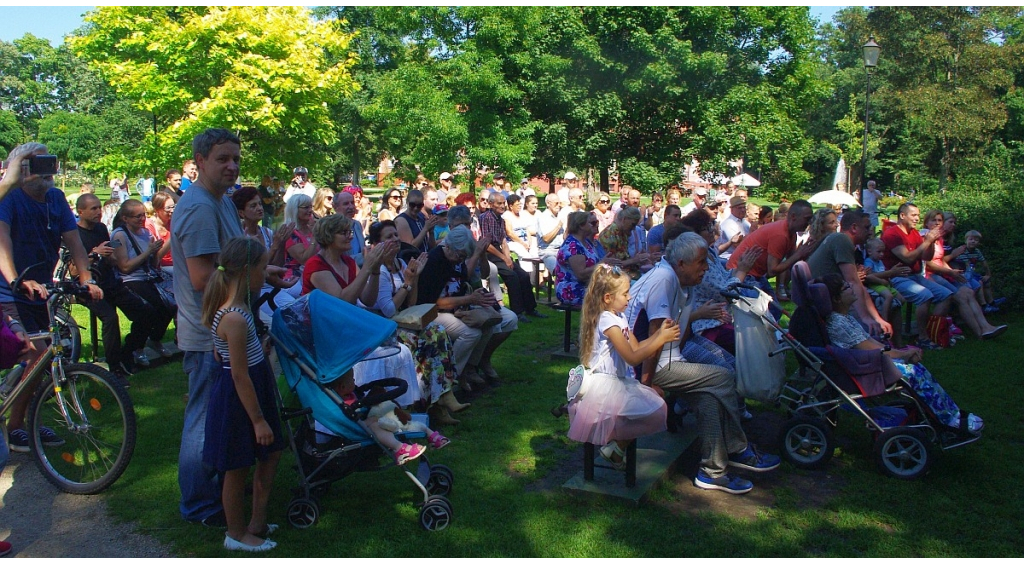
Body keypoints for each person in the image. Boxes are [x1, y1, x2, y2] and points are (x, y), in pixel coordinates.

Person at [172, 128, 293, 526]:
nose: (232, 165)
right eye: (223, 158)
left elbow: (230, 262)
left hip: (228, 324)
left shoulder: (222, 200)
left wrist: (263, 272)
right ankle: (200, 504)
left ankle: (225, 498)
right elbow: (204, 277)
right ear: (200, 161)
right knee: (205, 420)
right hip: (209, 332)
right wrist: (251, 280)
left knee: (221, 419)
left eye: (236, 158)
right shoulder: (199, 208)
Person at [626, 233, 780, 495]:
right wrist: (646, 386)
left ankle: (713, 472)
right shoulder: (664, 281)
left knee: (708, 394)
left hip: (666, 357)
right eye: (701, 263)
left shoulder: (682, 281)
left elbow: (682, 335)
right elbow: (653, 336)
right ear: (682, 263)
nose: (706, 268)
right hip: (639, 364)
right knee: (723, 377)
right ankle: (738, 448)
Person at [0, 143, 104, 453]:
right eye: (34, 163)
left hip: (41, 290)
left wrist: (87, 280)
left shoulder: (56, 199)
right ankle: (15, 424)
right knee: (36, 354)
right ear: (21, 167)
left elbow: (74, 243)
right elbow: (1, 241)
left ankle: (20, 419)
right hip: (9, 290)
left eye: (48, 162)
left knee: (45, 359)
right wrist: (16, 279)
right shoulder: (10, 198)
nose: (44, 170)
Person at [200, 237, 284, 552]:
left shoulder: (240, 307)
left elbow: (240, 356)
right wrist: (258, 419)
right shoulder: (232, 316)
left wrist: (259, 350)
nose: (266, 273)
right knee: (236, 466)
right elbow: (238, 373)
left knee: (272, 452)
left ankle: (257, 521)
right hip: (240, 397)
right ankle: (235, 533)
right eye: (263, 267)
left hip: (254, 384)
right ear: (247, 270)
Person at [818, 273, 984, 433]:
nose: (851, 288)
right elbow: (871, 349)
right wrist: (904, 354)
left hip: (868, 363)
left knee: (917, 369)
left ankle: (950, 412)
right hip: (864, 370)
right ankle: (946, 418)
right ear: (837, 298)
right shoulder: (838, 323)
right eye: (846, 287)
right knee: (914, 373)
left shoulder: (845, 317)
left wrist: (902, 352)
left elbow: (874, 344)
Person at [568, 264, 680, 468]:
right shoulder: (607, 321)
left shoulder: (619, 317)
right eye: (626, 293)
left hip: (619, 382)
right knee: (655, 409)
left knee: (657, 399)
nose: (629, 298)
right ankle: (615, 445)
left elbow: (637, 346)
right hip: (605, 386)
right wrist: (661, 338)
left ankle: (616, 448)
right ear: (608, 298)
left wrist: (659, 335)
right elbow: (632, 358)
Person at [365, 220, 469, 424]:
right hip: (384, 328)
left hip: (403, 321)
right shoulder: (381, 272)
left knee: (437, 331)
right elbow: (388, 310)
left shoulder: (400, 264)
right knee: (429, 341)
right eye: (389, 237)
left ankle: (443, 396)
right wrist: (408, 283)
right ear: (378, 244)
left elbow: (411, 303)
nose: (395, 239)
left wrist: (414, 280)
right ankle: (436, 402)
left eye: (396, 235)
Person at [75, 194, 159, 378]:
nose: (99, 212)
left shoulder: (101, 228)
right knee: (110, 318)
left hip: (109, 281)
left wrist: (110, 257)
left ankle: (127, 351)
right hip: (86, 285)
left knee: (147, 312)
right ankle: (114, 366)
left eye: (99, 207)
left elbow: (113, 260)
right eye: (93, 208)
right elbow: (73, 268)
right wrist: (94, 254)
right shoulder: (73, 234)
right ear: (80, 212)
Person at [415, 225, 501, 392]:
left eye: (464, 257)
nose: (461, 260)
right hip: (431, 313)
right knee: (470, 333)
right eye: (460, 256)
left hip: (454, 308)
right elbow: (433, 302)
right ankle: (448, 378)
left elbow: (461, 282)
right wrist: (467, 299)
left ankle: (468, 369)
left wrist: (473, 298)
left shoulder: (456, 259)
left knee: (489, 325)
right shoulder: (435, 261)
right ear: (448, 246)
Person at [806, 210, 896, 338]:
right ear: (854, 228)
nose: (870, 232)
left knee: (873, 323)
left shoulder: (836, 238)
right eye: (867, 227)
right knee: (869, 330)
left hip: (827, 300)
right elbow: (853, 282)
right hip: (825, 304)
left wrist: (877, 318)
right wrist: (866, 318)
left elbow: (858, 284)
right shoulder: (842, 240)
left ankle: (890, 351)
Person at [880, 203, 958, 348]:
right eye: (913, 215)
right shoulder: (892, 234)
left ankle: (933, 331)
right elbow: (908, 258)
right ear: (902, 216)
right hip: (896, 277)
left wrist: (931, 243)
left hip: (915, 276)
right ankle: (922, 338)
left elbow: (926, 257)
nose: (917, 218)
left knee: (946, 295)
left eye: (918, 215)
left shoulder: (914, 233)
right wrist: (927, 241)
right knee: (925, 295)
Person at [919, 209, 1005, 340]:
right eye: (934, 220)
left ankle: (986, 327)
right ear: (926, 222)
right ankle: (979, 333)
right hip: (929, 275)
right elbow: (927, 263)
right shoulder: (925, 236)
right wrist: (949, 271)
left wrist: (952, 273)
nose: (937, 223)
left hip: (942, 272)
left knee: (968, 292)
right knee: (960, 295)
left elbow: (940, 260)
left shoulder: (939, 238)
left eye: (939, 220)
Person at [110, 199, 176, 366]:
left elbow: (154, 264)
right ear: (125, 218)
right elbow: (124, 267)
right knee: (150, 311)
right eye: (137, 217)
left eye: (143, 215)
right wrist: (148, 252)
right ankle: (135, 347)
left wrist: (155, 252)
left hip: (149, 276)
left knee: (171, 304)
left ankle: (154, 339)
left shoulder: (146, 233)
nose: (141, 220)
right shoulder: (119, 235)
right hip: (131, 279)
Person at [726, 199, 814, 315]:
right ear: (793, 216)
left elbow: (790, 262)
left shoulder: (791, 233)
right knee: (764, 313)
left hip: (754, 275)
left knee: (774, 311)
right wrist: (799, 255)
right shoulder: (780, 235)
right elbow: (773, 270)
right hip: (741, 274)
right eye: (807, 219)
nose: (809, 222)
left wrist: (803, 253)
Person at [232, 187, 294, 323]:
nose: (259, 208)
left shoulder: (267, 233)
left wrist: (282, 243)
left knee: (297, 311)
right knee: (278, 323)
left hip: (272, 288)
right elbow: (256, 267)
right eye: (253, 206)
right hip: (253, 291)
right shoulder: (240, 236)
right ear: (241, 212)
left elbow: (277, 267)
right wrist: (275, 246)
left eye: (260, 204)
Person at [479, 191, 542, 321]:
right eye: (499, 203)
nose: (502, 206)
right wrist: (504, 258)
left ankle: (530, 308)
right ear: (491, 204)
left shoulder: (501, 220)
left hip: (500, 251)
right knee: (512, 277)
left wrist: (508, 259)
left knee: (523, 275)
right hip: (487, 253)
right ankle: (517, 312)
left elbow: (503, 241)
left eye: (503, 203)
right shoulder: (486, 217)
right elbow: (486, 244)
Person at [555, 211, 606, 306]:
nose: (595, 225)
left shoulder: (586, 242)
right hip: (571, 289)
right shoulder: (573, 246)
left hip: (588, 284)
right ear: (581, 226)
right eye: (591, 223)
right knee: (611, 298)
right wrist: (603, 264)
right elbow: (581, 274)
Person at [281, 193, 318, 299]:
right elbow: (304, 259)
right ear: (295, 209)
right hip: (294, 279)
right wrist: (315, 237)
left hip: (313, 274)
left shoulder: (311, 228)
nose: (310, 210)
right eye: (306, 207)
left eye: (311, 207)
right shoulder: (290, 233)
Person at [862, 237, 906, 323]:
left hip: (884, 284)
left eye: (883, 251)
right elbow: (870, 276)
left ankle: (891, 312)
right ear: (870, 251)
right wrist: (882, 281)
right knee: (888, 296)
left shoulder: (880, 261)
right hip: (875, 284)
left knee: (901, 299)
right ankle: (884, 318)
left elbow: (884, 272)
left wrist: (888, 278)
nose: (882, 254)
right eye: (879, 252)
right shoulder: (868, 262)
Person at [598, 206, 650, 280]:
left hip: (627, 274)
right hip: (613, 278)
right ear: (624, 219)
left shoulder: (622, 232)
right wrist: (634, 260)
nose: (634, 228)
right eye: (633, 225)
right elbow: (610, 266)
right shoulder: (609, 235)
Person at [395, 189, 441, 254]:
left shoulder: (421, 218)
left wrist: (431, 232)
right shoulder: (401, 220)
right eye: (412, 205)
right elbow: (410, 247)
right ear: (407, 202)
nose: (415, 208)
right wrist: (425, 229)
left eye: (419, 205)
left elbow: (432, 247)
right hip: (410, 261)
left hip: (424, 259)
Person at [334, 190, 366, 267]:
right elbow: (339, 259)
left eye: (352, 203)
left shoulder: (357, 224)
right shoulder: (333, 228)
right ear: (335, 207)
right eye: (346, 204)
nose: (351, 207)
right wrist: (367, 256)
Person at [536, 193, 565, 273]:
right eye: (556, 203)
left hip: (562, 250)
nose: (559, 205)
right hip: (548, 251)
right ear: (548, 203)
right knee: (559, 271)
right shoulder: (543, 217)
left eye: (560, 203)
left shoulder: (561, 216)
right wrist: (559, 226)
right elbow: (546, 239)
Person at [715, 196, 750, 262]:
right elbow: (737, 245)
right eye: (739, 208)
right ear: (732, 210)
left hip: (741, 257)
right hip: (728, 259)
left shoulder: (745, 222)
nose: (743, 210)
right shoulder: (728, 223)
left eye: (744, 207)